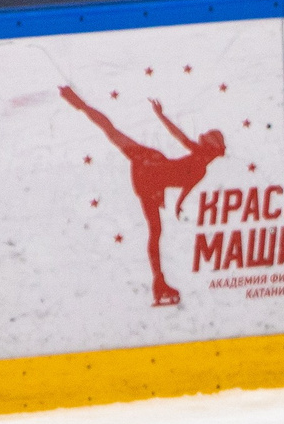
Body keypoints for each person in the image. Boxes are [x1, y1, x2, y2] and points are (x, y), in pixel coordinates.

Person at [60, 86, 224, 307]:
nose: (202, 143)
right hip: (151, 175)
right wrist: (161, 115)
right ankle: (159, 281)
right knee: (155, 232)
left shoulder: (198, 159)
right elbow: (186, 176)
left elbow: (186, 183)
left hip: (150, 171)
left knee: (112, 132)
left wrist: (179, 204)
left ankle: (78, 103)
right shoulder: (200, 163)